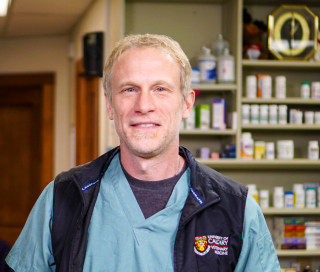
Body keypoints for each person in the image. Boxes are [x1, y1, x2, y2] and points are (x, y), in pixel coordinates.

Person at [6, 33, 281, 271]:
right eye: (129, 89)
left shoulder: (236, 208)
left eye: (160, 89)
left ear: (187, 104)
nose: (144, 105)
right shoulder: (63, 198)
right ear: (110, 105)